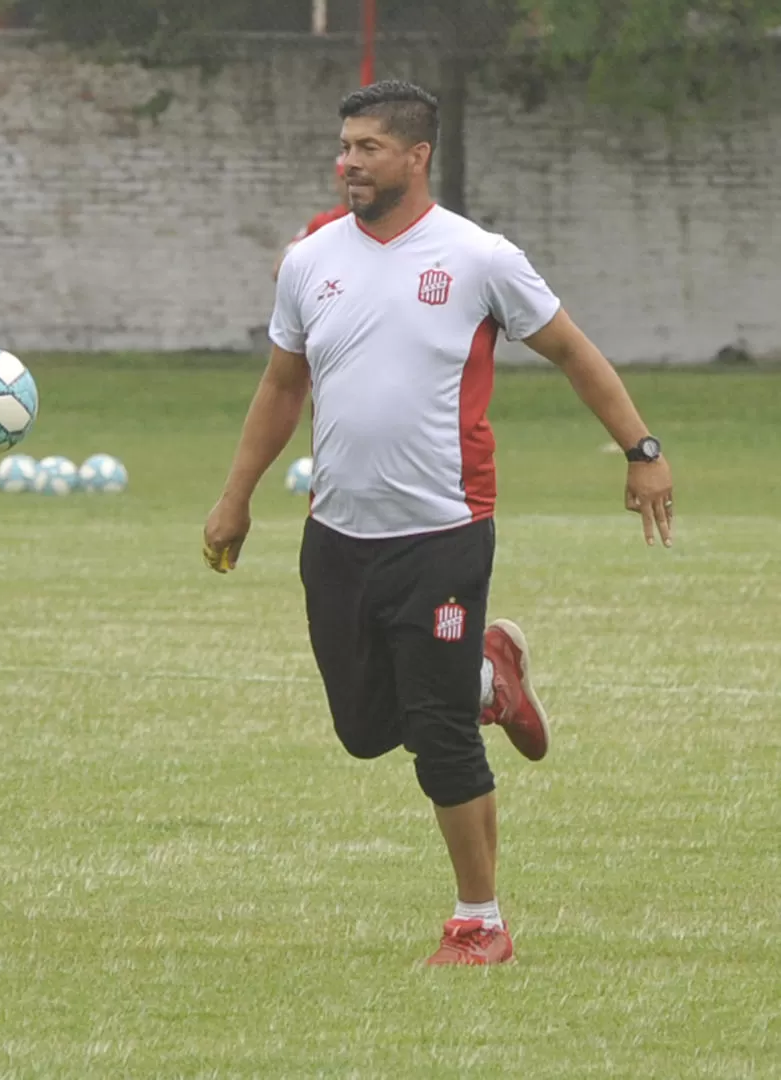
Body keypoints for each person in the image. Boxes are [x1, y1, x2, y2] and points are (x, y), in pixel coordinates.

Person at [204, 80, 674, 966]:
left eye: (367, 148)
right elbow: (280, 386)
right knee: (363, 730)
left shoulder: (478, 257)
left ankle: (479, 923)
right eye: (344, 146)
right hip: (336, 533)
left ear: (416, 157)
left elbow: (572, 350)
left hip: (443, 531)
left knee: (435, 735)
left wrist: (640, 449)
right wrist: (236, 497)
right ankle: (486, 678)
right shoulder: (311, 260)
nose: (347, 162)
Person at [272, 154, 351, 281]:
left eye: (354, 177)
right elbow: (279, 268)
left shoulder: (384, 221)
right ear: (336, 182)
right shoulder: (323, 222)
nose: (350, 183)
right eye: (344, 178)